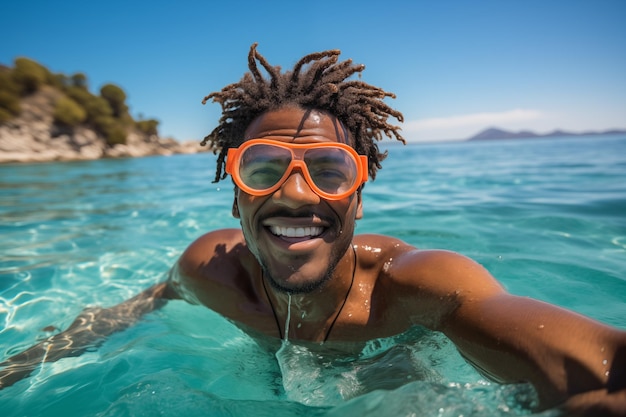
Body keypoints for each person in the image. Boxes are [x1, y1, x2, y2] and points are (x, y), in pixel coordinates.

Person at [1, 44, 625, 415]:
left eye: (328, 170)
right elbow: (127, 311)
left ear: (359, 195)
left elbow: (592, 361)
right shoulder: (205, 272)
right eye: (264, 168)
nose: (295, 193)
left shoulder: (422, 287)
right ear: (235, 196)